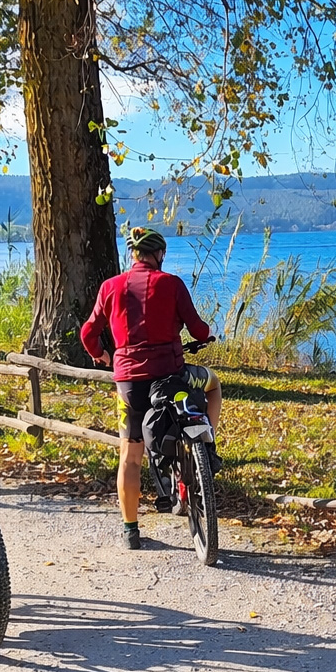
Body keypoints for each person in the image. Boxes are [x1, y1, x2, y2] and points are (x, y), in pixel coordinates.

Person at [80, 226, 221, 550]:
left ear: (133, 255)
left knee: (130, 454)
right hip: (172, 377)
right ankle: (206, 447)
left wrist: (101, 354)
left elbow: (89, 332)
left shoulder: (110, 287)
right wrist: (201, 333)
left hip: (130, 385)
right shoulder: (171, 284)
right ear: (159, 254)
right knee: (212, 386)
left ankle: (131, 530)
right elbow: (199, 330)